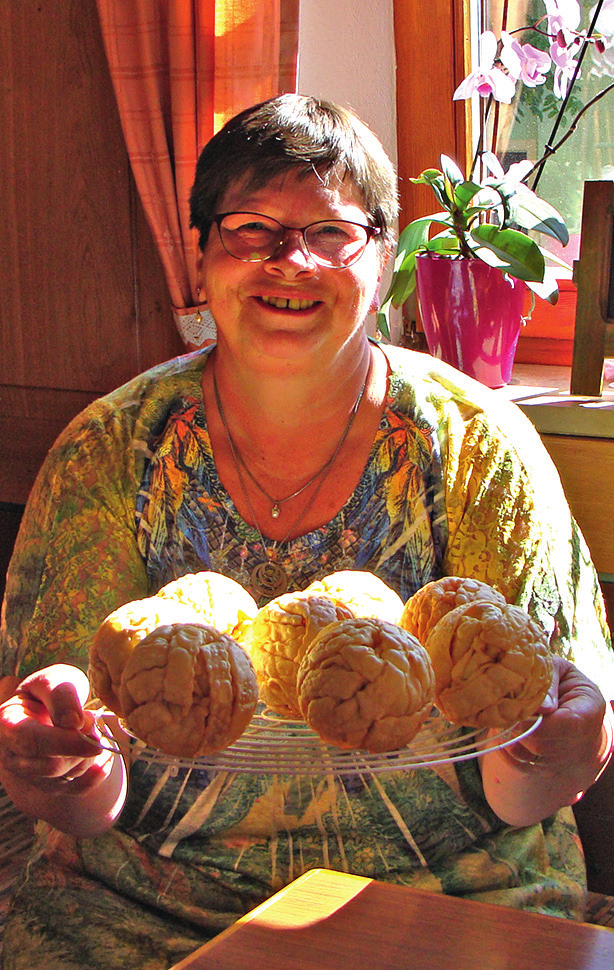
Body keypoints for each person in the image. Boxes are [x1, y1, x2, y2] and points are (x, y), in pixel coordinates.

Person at [0, 93, 613, 970]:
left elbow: (523, 775)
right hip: (143, 904)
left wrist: (561, 751)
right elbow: (82, 765)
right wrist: (61, 768)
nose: (289, 261)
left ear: (387, 257)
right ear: (202, 256)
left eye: (332, 232)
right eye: (251, 229)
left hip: (447, 894)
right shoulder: (112, 447)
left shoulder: (478, 448)